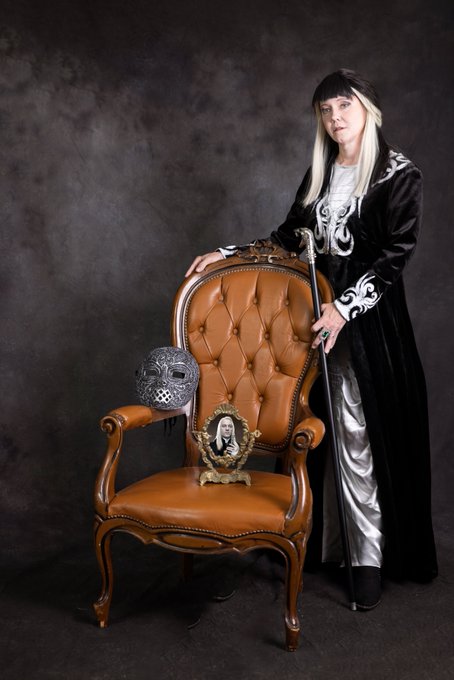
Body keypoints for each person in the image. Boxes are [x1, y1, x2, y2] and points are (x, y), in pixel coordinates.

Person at [185, 69, 438, 609]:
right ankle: (321, 542)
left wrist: (345, 308)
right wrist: (225, 255)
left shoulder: (399, 175)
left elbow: (396, 254)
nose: (335, 118)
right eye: (326, 110)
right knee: (313, 429)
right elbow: (286, 239)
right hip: (312, 324)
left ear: (368, 108)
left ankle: (368, 554)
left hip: (370, 329)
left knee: (358, 434)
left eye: (344, 106)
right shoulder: (320, 174)